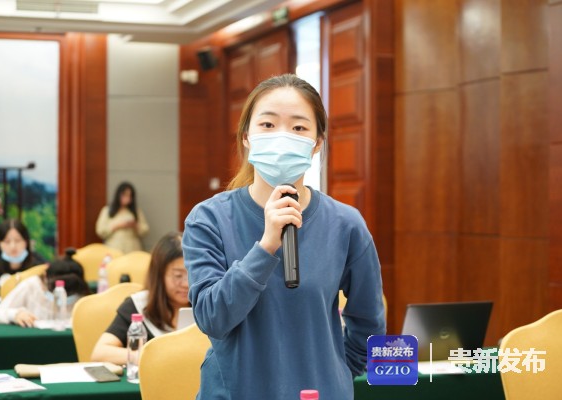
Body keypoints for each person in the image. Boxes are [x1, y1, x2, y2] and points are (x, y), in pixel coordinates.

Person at [182, 74, 386, 400]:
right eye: (267, 124)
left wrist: (334, 372)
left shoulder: (346, 224)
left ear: (317, 143)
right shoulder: (208, 219)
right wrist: (266, 246)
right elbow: (212, 318)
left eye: (298, 127)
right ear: (246, 137)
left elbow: (369, 324)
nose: (282, 137)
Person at [90, 232, 190, 365]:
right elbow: (100, 353)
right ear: (159, 275)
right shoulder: (139, 306)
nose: (186, 284)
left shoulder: (208, 305)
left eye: (193, 274)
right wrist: (147, 356)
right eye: (178, 275)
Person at [0, 248, 90, 327]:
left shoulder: (81, 295)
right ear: (45, 277)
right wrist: (15, 314)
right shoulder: (31, 286)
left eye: (69, 292)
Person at [0, 219, 45, 296]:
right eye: (7, 241)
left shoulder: (38, 265)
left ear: (26, 241)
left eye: (17, 240)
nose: (13, 246)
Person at [95, 182, 150, 254]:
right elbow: (100, 230)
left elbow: (145, 229)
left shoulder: (136, 212)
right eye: (125, 195)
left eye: (130, 196)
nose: (127, 198)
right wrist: (117, 226)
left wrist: (135, 225)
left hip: (132, 248)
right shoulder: (107, 210)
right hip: (114, 247)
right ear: (118, 195)